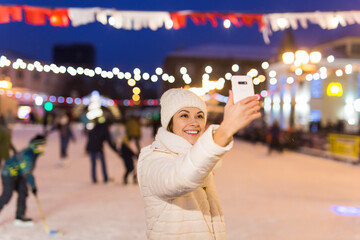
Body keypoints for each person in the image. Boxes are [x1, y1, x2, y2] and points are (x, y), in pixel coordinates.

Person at [137, 88, 260, 239]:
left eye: (200, 116)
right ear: (169, 122)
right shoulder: (153, 159)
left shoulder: (196, 158)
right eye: (184, 115)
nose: (194, 122)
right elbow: (180, 178)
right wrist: (225, 129)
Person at [0, 134, 46, 226]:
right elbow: (27, 172)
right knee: (7, 195)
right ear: (37, 145)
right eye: (42, 145)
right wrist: (33, 186)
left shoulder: (33, 152)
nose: (44, 148)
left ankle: (20, 216)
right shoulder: (28, 155)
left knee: (23, 191)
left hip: (18, 173)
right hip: (9, 172)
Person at [86, 117, 118, 184]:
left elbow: (90, 137)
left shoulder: (97, 126)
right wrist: (116, 150)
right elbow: (109, 142)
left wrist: (87, 148)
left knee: (93, 164)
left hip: (91, 148)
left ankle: (94, 179)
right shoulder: (105, 129)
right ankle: (105, 178)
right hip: (98, 149)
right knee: (103, 163)